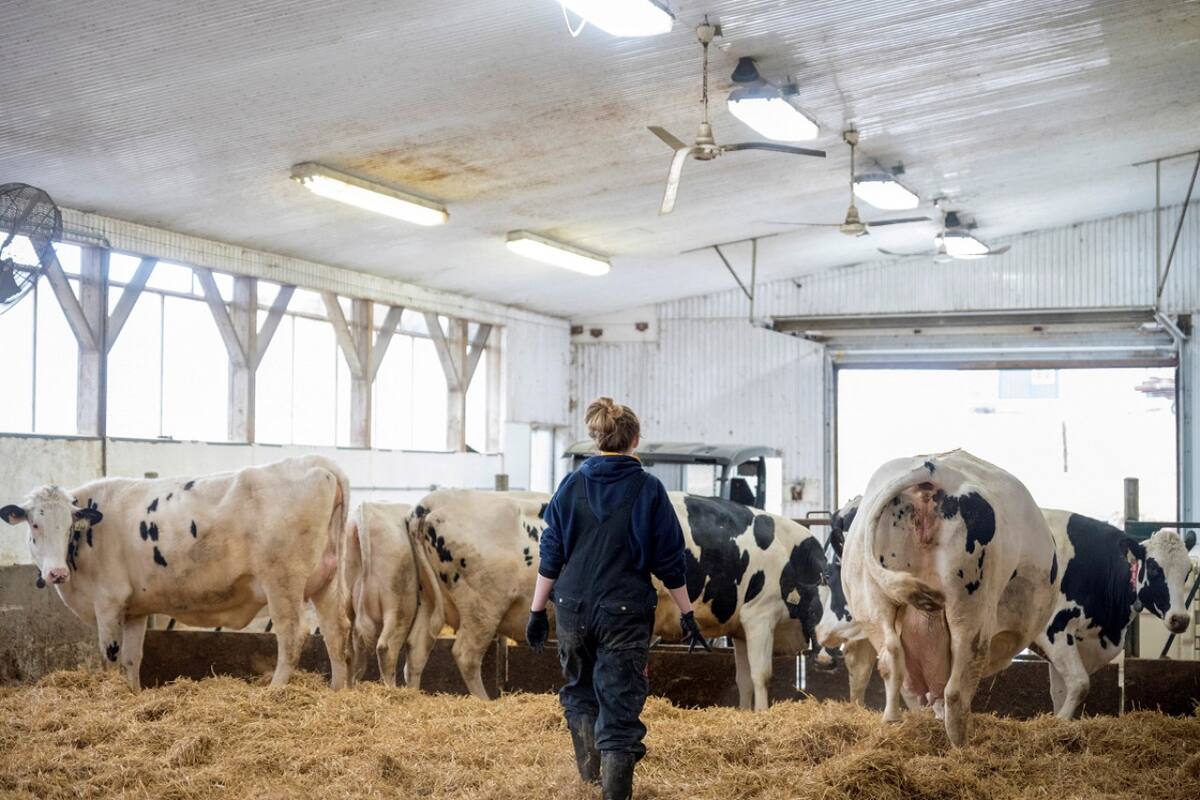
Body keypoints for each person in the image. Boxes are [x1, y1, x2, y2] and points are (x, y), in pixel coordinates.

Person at [525, 396, 708, 800]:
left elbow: (551, 551)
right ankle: (610, 794)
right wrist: (687, 613)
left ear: (596, 438)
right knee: (620, 705)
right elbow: (670, 561)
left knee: (579, 692)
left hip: (571, 607)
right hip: (624, 610)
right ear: (635, 439)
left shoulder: (572, 483)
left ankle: (589, 784)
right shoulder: (649, 489)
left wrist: (538, 611)